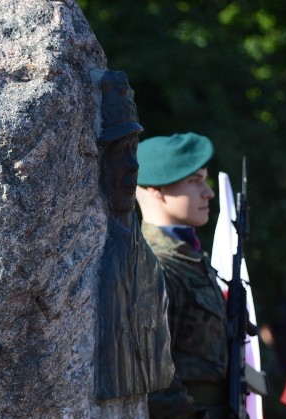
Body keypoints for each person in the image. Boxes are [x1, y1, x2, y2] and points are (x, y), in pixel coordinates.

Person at [135, 132, 257, 419]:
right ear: (155, 190)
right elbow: (158, 386)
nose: (207, 192)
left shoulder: (189, 258)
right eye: (194, 181)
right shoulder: (157, 265)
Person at [91, 69, 173, 399]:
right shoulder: (103, 257)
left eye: (133, 149)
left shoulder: (148, 263)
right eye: (118, 151)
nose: (132, 165)